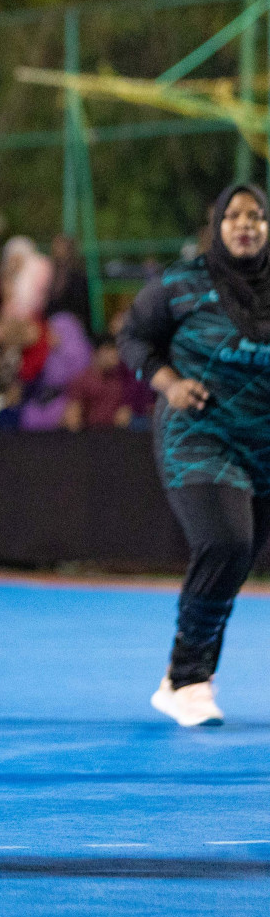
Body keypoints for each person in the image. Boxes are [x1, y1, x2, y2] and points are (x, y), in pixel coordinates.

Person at [118, 183, 270, 727]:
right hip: (199, 433)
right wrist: (169, 383)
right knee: (226, 541)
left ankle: (186, 677)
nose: (246, 225)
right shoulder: (181, 284)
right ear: (217, 225)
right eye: (234, 216)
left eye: (257, 216)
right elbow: (133, 339)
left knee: (236, 562)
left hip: (264, 444)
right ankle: (187, 679)